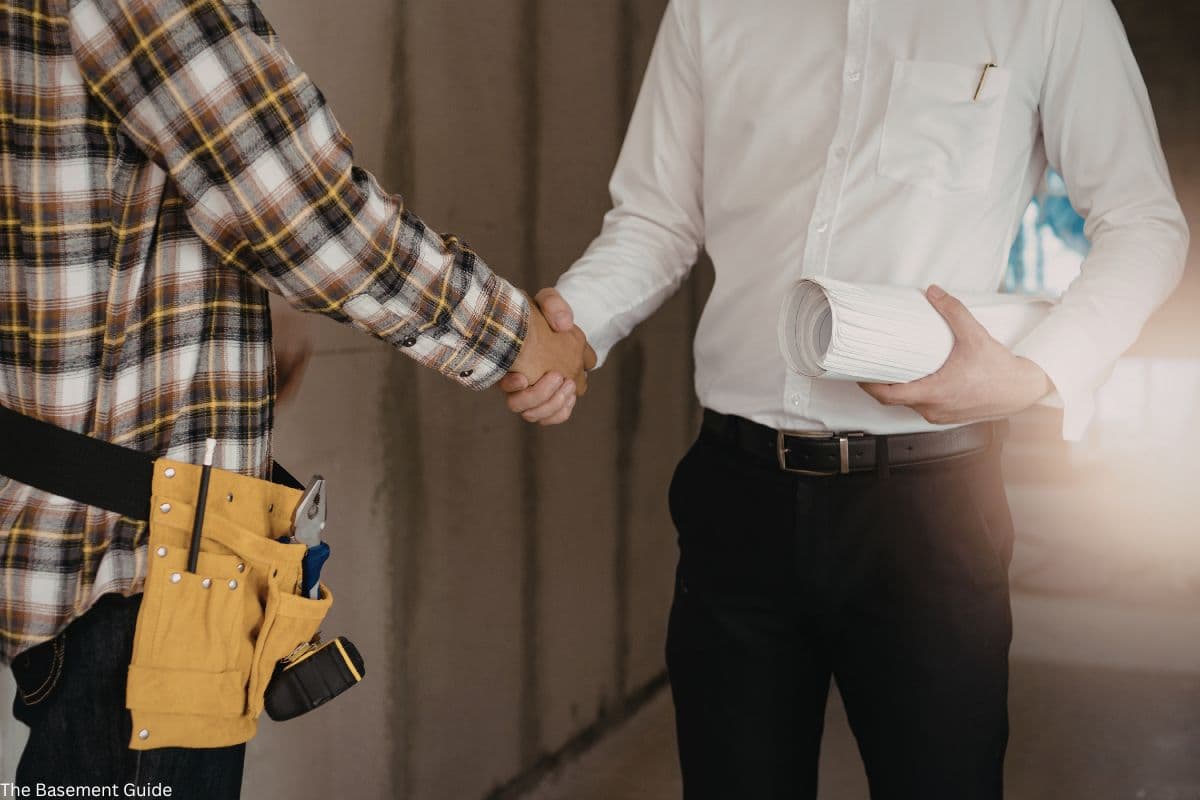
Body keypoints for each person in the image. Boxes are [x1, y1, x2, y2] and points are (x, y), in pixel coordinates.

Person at [501, 0, 1189, 796]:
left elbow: (1143, 225)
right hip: (737, 497)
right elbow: (657, 218)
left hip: (930, 514)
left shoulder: (1048, 9)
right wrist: (573, 327)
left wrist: (1035, 372)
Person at [0, 0, 591, 794]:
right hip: (138, 582)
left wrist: (235, 313)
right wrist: (519, 339)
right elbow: (303, 210)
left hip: (83, 547)